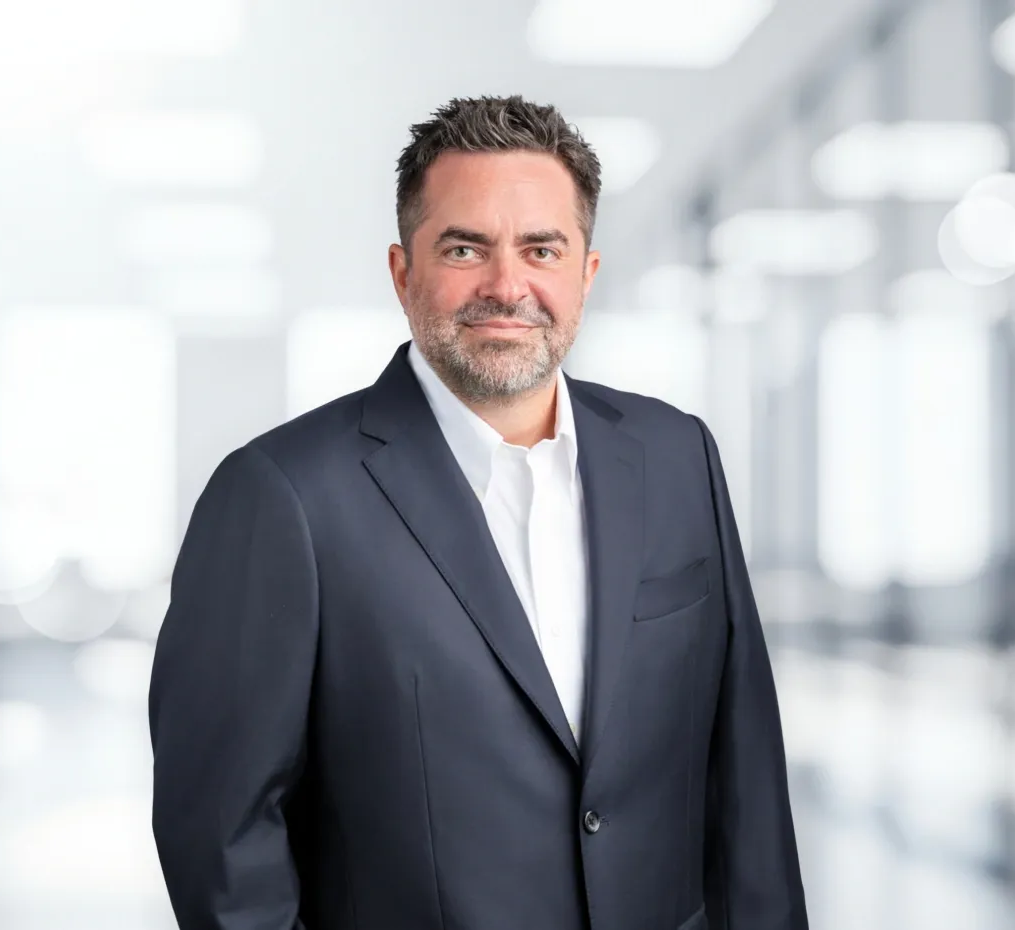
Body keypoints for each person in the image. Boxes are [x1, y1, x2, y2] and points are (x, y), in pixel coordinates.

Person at [149, 94, 809, 930]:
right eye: (465, 248)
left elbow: (743, 773)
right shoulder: (282, 496)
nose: (507, 285)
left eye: (542, 248)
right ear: (402, 272)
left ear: (584, 273)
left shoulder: (678, 456)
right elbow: (221, 839)